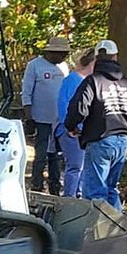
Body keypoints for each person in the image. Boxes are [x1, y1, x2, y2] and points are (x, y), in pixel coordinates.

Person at [63, 40, 127, 212]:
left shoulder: (93, 81)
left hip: (100, 139)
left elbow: (79, 107)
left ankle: (97, 233)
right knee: (112, 189)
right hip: (122, 139)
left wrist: (71, 126)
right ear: (115, 56)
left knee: (96, 191)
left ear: (96, 58)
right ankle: (118, 231)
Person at [19, 35, 70, 194]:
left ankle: (55, 183)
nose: (63, 57)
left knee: (56, 154)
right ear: (51, 52)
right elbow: (26, 91)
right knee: (41, 152)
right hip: (41, 118)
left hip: (59, 119)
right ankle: (37, 183)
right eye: (60, 54)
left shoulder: (64, 68)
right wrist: (29, 115)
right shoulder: (35, 66)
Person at [52, 50, 97, 197]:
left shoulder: (90, 82)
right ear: (91, 64)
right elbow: (63, 104)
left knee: (84, 167)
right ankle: (69, 197)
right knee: (75, 166)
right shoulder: (72, 80)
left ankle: (79, 195)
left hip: (85, 131)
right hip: (71, 131)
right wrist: (71, 126)